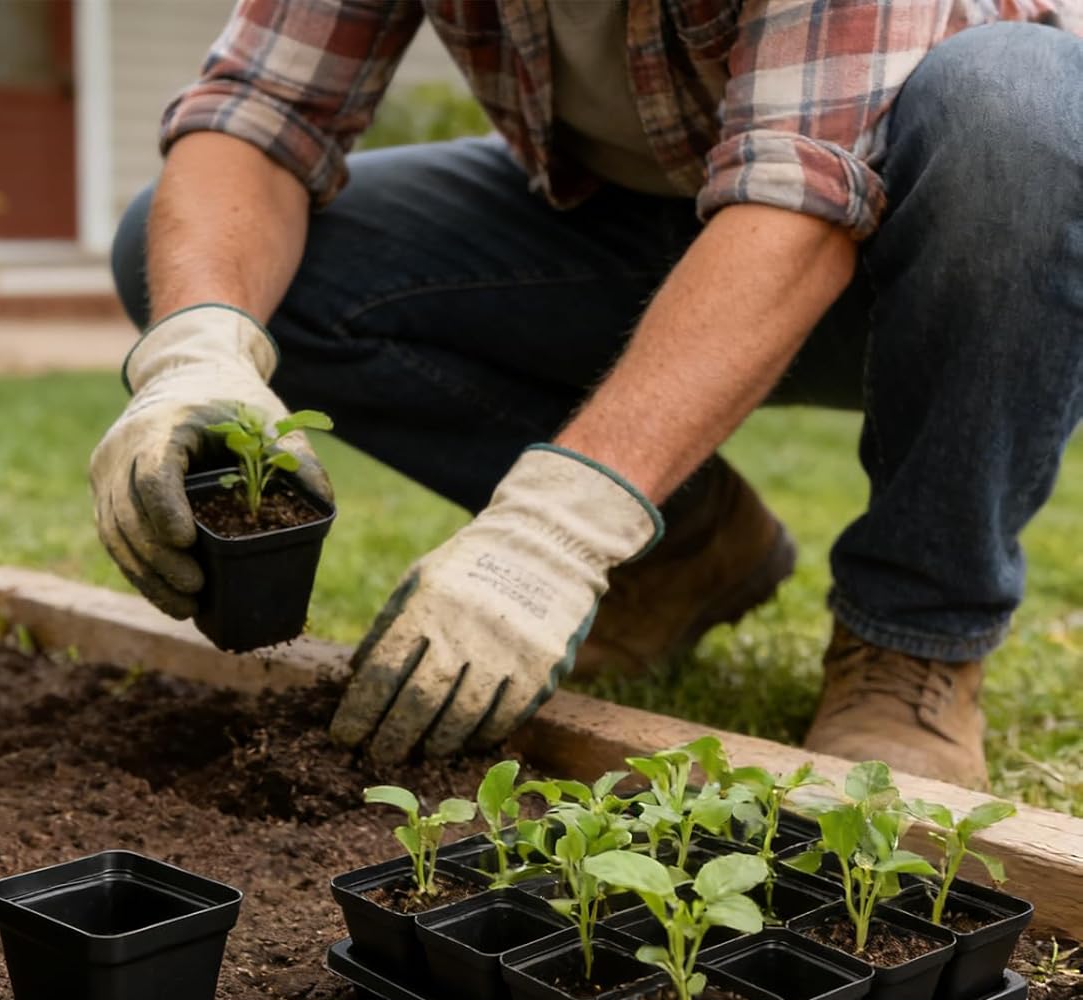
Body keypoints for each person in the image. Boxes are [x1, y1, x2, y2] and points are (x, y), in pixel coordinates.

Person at [91, 1, 1083, 787]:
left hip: (938, 242)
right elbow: (261, 113)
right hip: (636, 222)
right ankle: (684, 550)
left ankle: (913, 641)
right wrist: (195, 351)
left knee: (1015, 105)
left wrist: (553, 527)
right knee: (176, 251)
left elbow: (802, 195)